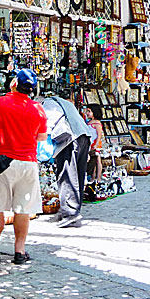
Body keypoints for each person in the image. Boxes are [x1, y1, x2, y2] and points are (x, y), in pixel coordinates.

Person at [0, 69, 47, 265]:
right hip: (28, 163)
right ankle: (20, 252)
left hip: (2, 162)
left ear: (14, 83)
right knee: (23, 209)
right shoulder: (38, 109)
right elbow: (41, 137)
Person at [42, 95, 94, 228]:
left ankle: (71, 214)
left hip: (70, 139)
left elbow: (50, 122)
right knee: (78, 175)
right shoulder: (65, 102)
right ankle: (71, 209)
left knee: (67, 176)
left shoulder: (48, 103)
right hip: (83, 136)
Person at [84, 105, 104, 182]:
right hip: (90, 143)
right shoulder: (89, 122)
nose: (87, 113)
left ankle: (98, 177)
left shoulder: (97, 123)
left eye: (89, 111)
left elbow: (99, 135)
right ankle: (93, 176)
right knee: (93, 160)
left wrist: (96, 144)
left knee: (98, 160)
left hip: (96, 143)